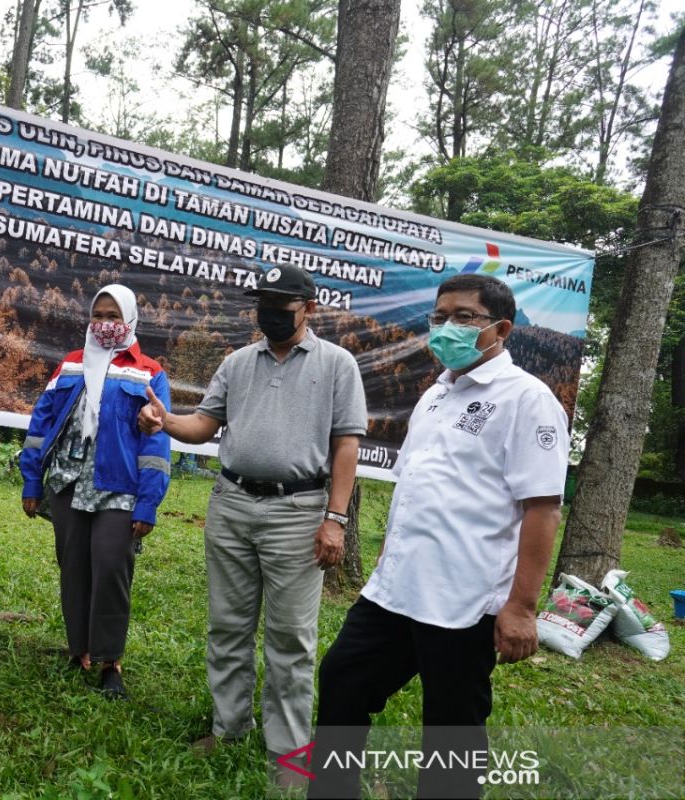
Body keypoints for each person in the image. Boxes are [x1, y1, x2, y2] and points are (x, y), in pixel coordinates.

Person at [307, 274, 570, 799]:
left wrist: (521, 606)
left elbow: (542, 509)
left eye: (464, 317)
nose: (447, 326)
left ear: (501, 328)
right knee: (342, 680)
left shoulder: (527, 400)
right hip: (396, 590)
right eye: (439, 316)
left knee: (450, 730)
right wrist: (384, 561)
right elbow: (413, 490)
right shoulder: (435, 394)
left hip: (463, 601)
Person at [138, 264, 366, 788]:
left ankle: (288, 756)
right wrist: (165, 420)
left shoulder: (337, 364)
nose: (268, 315)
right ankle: (229, 727)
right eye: (261, 305)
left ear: (309, 308)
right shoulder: (238, 362)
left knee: (291, 640)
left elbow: (346, 444)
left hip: (298, 513)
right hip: (232, 504)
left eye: (280, 306)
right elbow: (203, 425)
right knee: (228, 626)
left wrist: (334, 520)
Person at [20, 284, 172, 700]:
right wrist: (31, 479)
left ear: (130, 319)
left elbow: (157, 443)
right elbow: (40, 423)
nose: (105, 324)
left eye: (113, 315)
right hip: (68, 480)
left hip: (118, 486)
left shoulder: (149, 371)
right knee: (72, 566)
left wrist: (148, 502)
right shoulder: (70, 364)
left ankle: (111, 663)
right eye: (99, 315)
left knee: (110, 568)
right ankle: (78, 650)